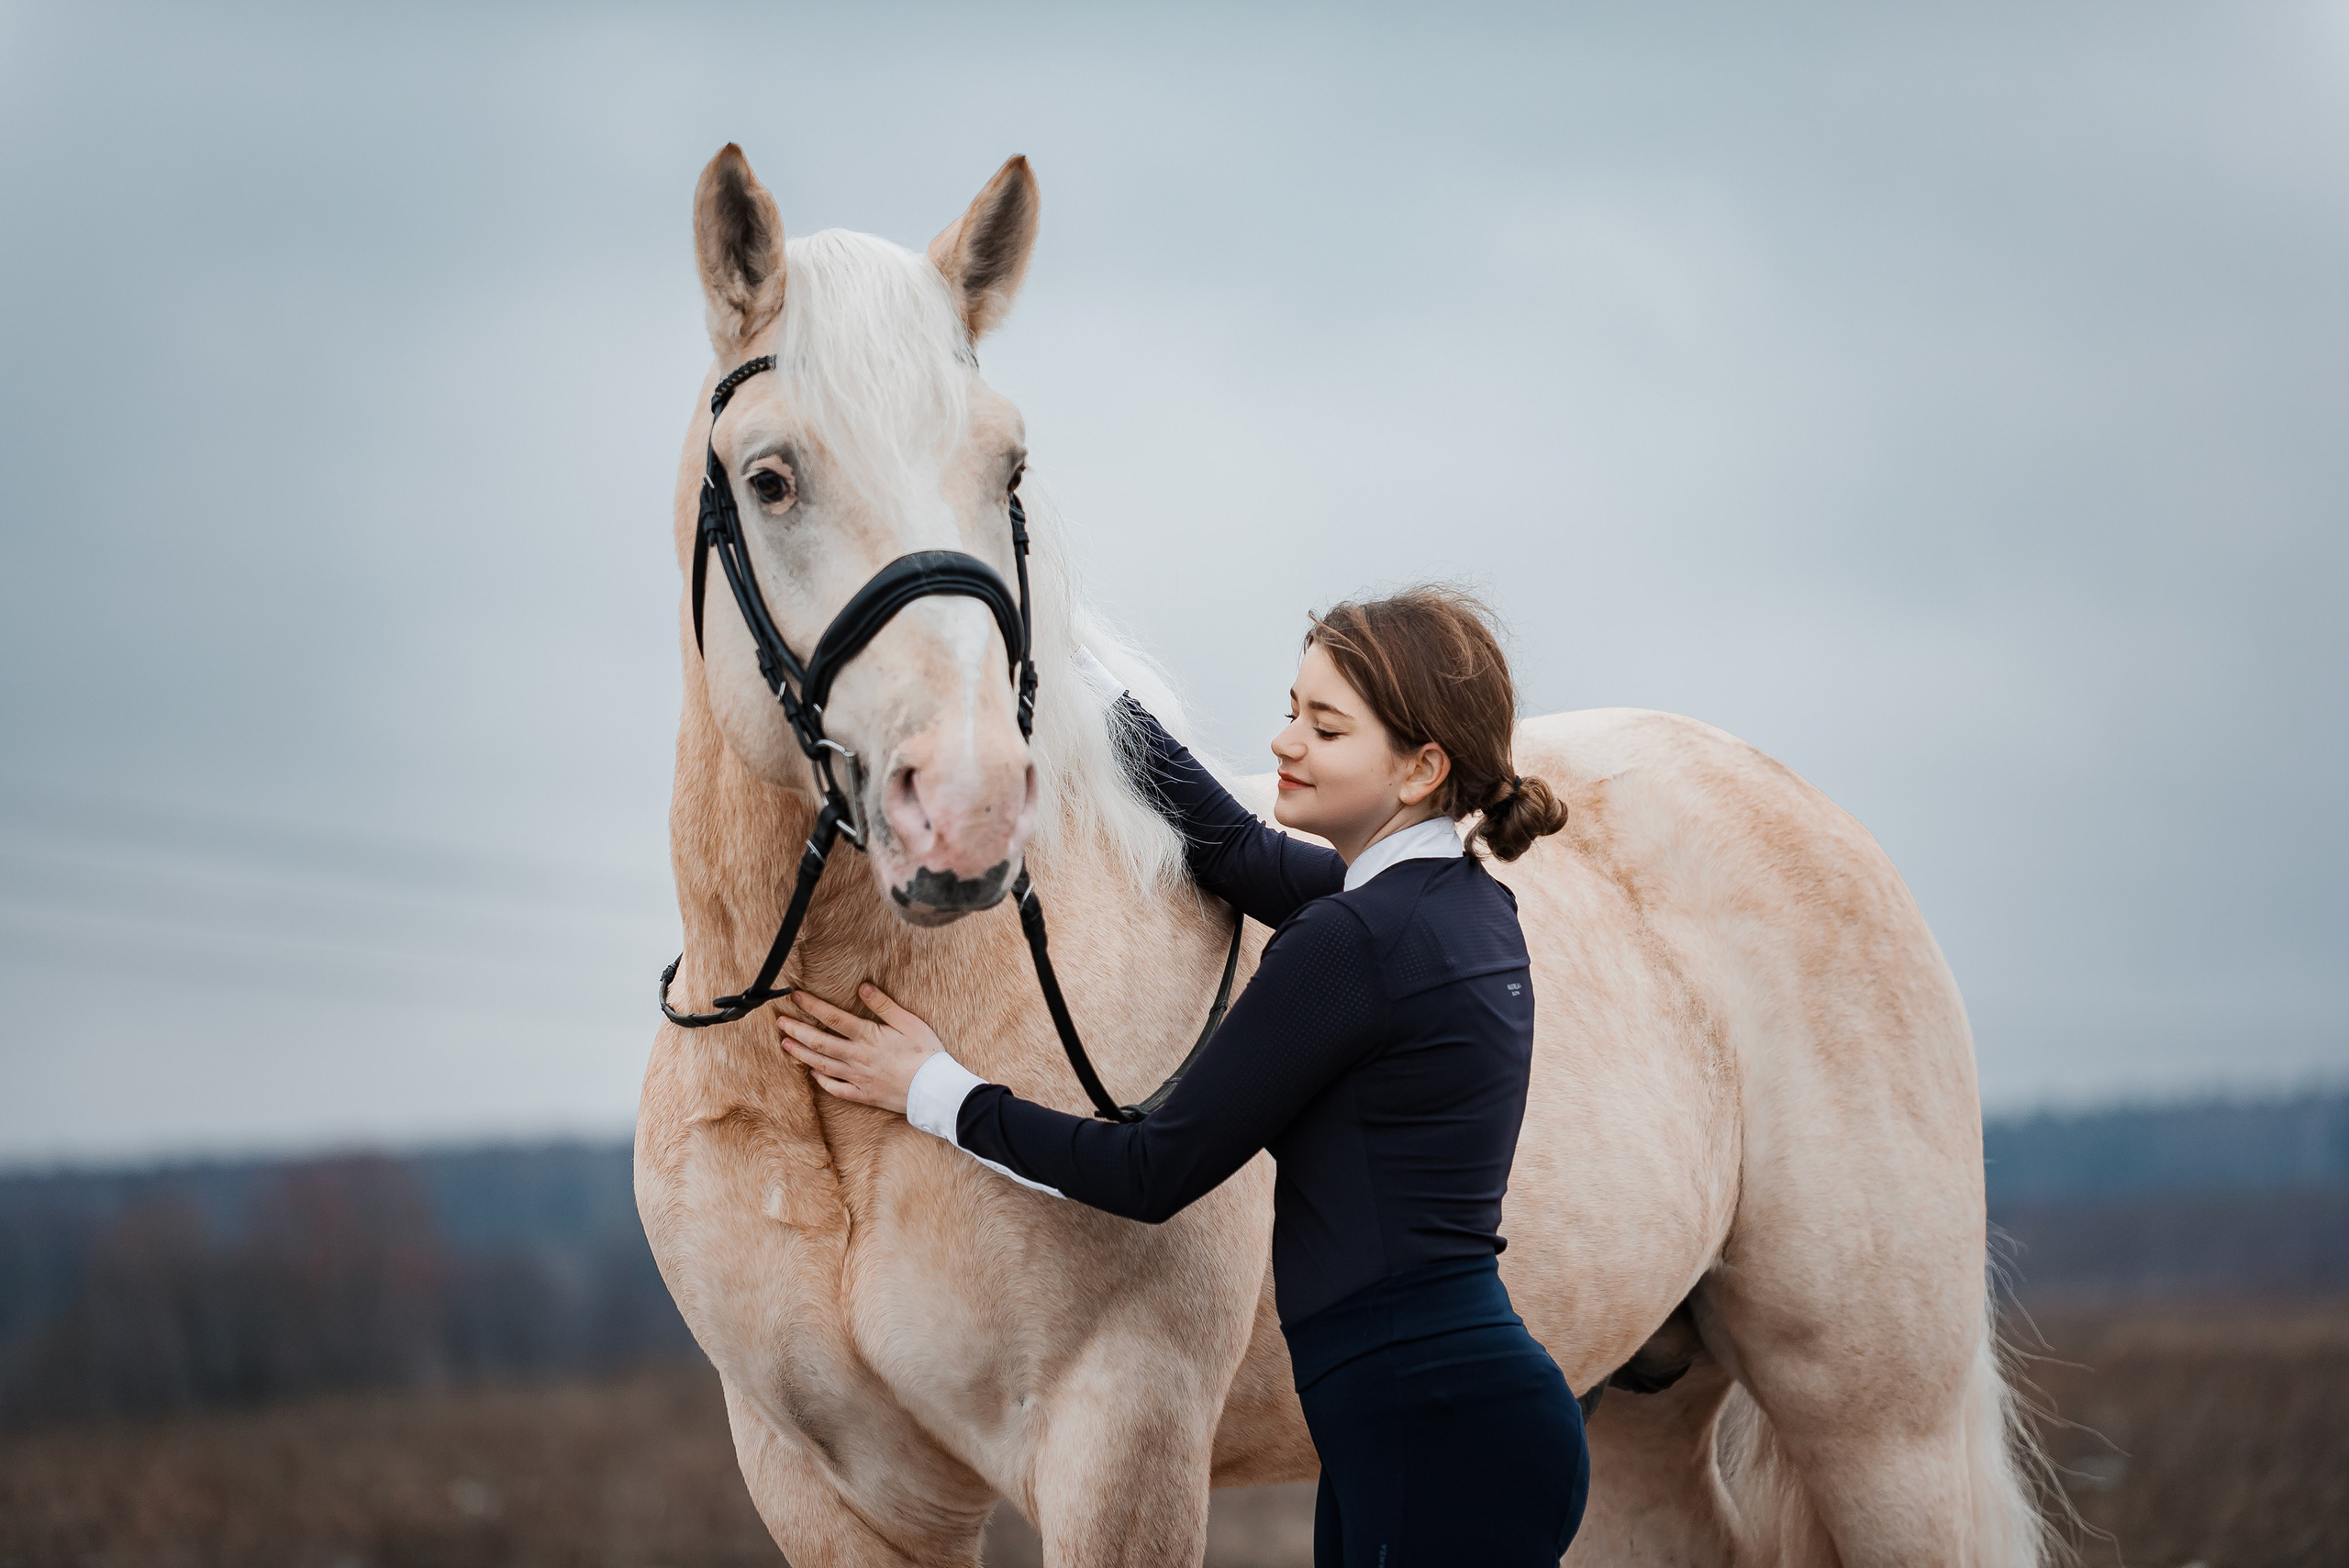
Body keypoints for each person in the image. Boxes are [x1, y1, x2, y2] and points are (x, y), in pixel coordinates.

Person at [776, 586, 1589, 1566]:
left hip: (1428, 1422)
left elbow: (1150, 1171)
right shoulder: (1456, 906)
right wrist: (1073, 673)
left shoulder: (1355, 939)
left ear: (1421, 767)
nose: (1285, 742)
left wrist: (930, 1088)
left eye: (1325, 726)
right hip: (1456, 1412)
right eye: (1293, 708)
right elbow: (1233, 848)